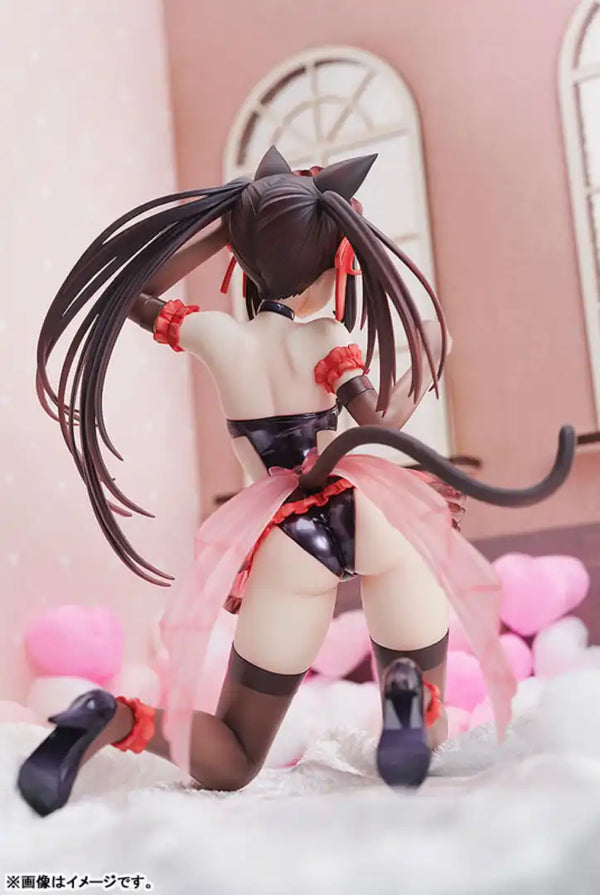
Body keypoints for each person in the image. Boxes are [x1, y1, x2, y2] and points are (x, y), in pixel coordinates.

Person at [18, 147, 574, 816]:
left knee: (235, 754)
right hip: (370, 511)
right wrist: (427, 363)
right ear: (325, 263)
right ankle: (407, 691)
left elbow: (131, 295)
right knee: (425, 724)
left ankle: (112, 717)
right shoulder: (326, 335)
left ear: (245, 257)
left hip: (290, 538)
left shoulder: (216, 335)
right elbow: (381, 427)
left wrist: (228, 228)